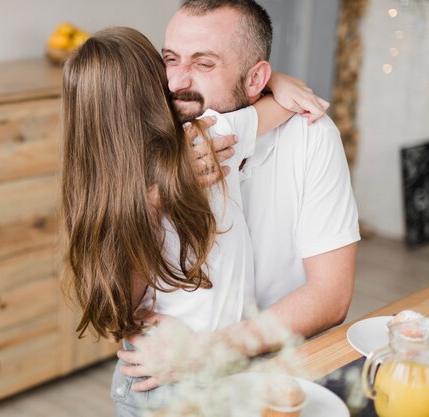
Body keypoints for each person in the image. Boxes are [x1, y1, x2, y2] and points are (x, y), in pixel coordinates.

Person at [61, 25, 327, 417]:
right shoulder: (208, 137)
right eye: (165, 64)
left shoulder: (91, 185)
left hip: (151, 377)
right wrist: (282, 81)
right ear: (157, 89)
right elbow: (286, 104)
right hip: (181, 372)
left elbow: (115, 305)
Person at [118, 0, 360, 393]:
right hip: (162, 372)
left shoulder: (311, 135)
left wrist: (210, 350)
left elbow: (331, 296)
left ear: (255, 79)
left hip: (274, 365)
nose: (176, 82)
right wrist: (157, 197)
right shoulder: (149, 133)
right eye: (171, 59)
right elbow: (121, 304)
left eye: (203, 64)